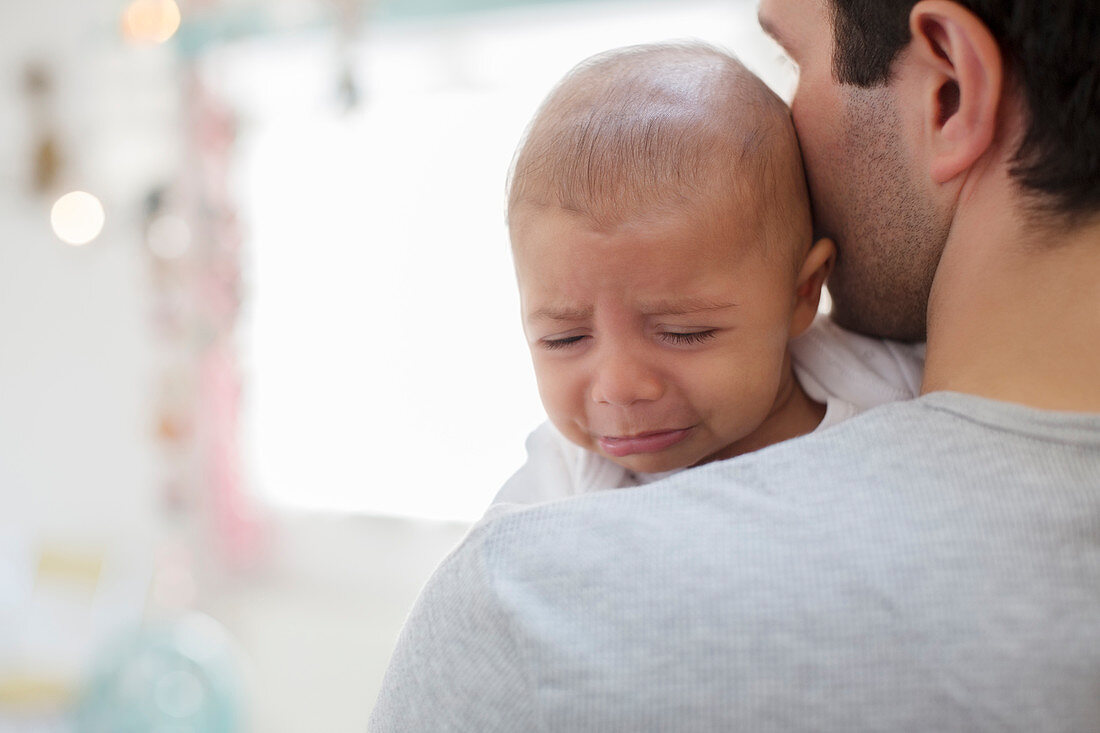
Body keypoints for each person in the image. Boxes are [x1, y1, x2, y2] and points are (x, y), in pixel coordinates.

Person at [370, 0, 1100, 729]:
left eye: (794, 62)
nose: (621, 386)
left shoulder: (528, 616)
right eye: (563, 339)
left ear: (949, 93)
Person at [493, 43, 922, 507]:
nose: (619, 388)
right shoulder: (560, 487)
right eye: (564, 339)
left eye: (684, 333)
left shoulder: (885, 381)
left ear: (802, 293)